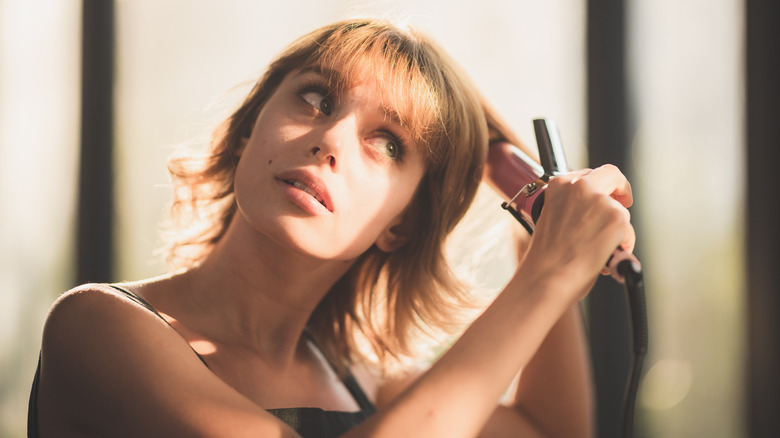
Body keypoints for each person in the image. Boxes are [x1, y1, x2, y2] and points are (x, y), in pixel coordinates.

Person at [28, 18, 634, 438]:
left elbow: (550, 433)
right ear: (247, 134)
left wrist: (535, 224)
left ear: (400, 226)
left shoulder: (364, 380)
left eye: (388, 142)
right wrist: (552, 272)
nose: (330, 139)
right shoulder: (102, 327)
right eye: (316, 99)